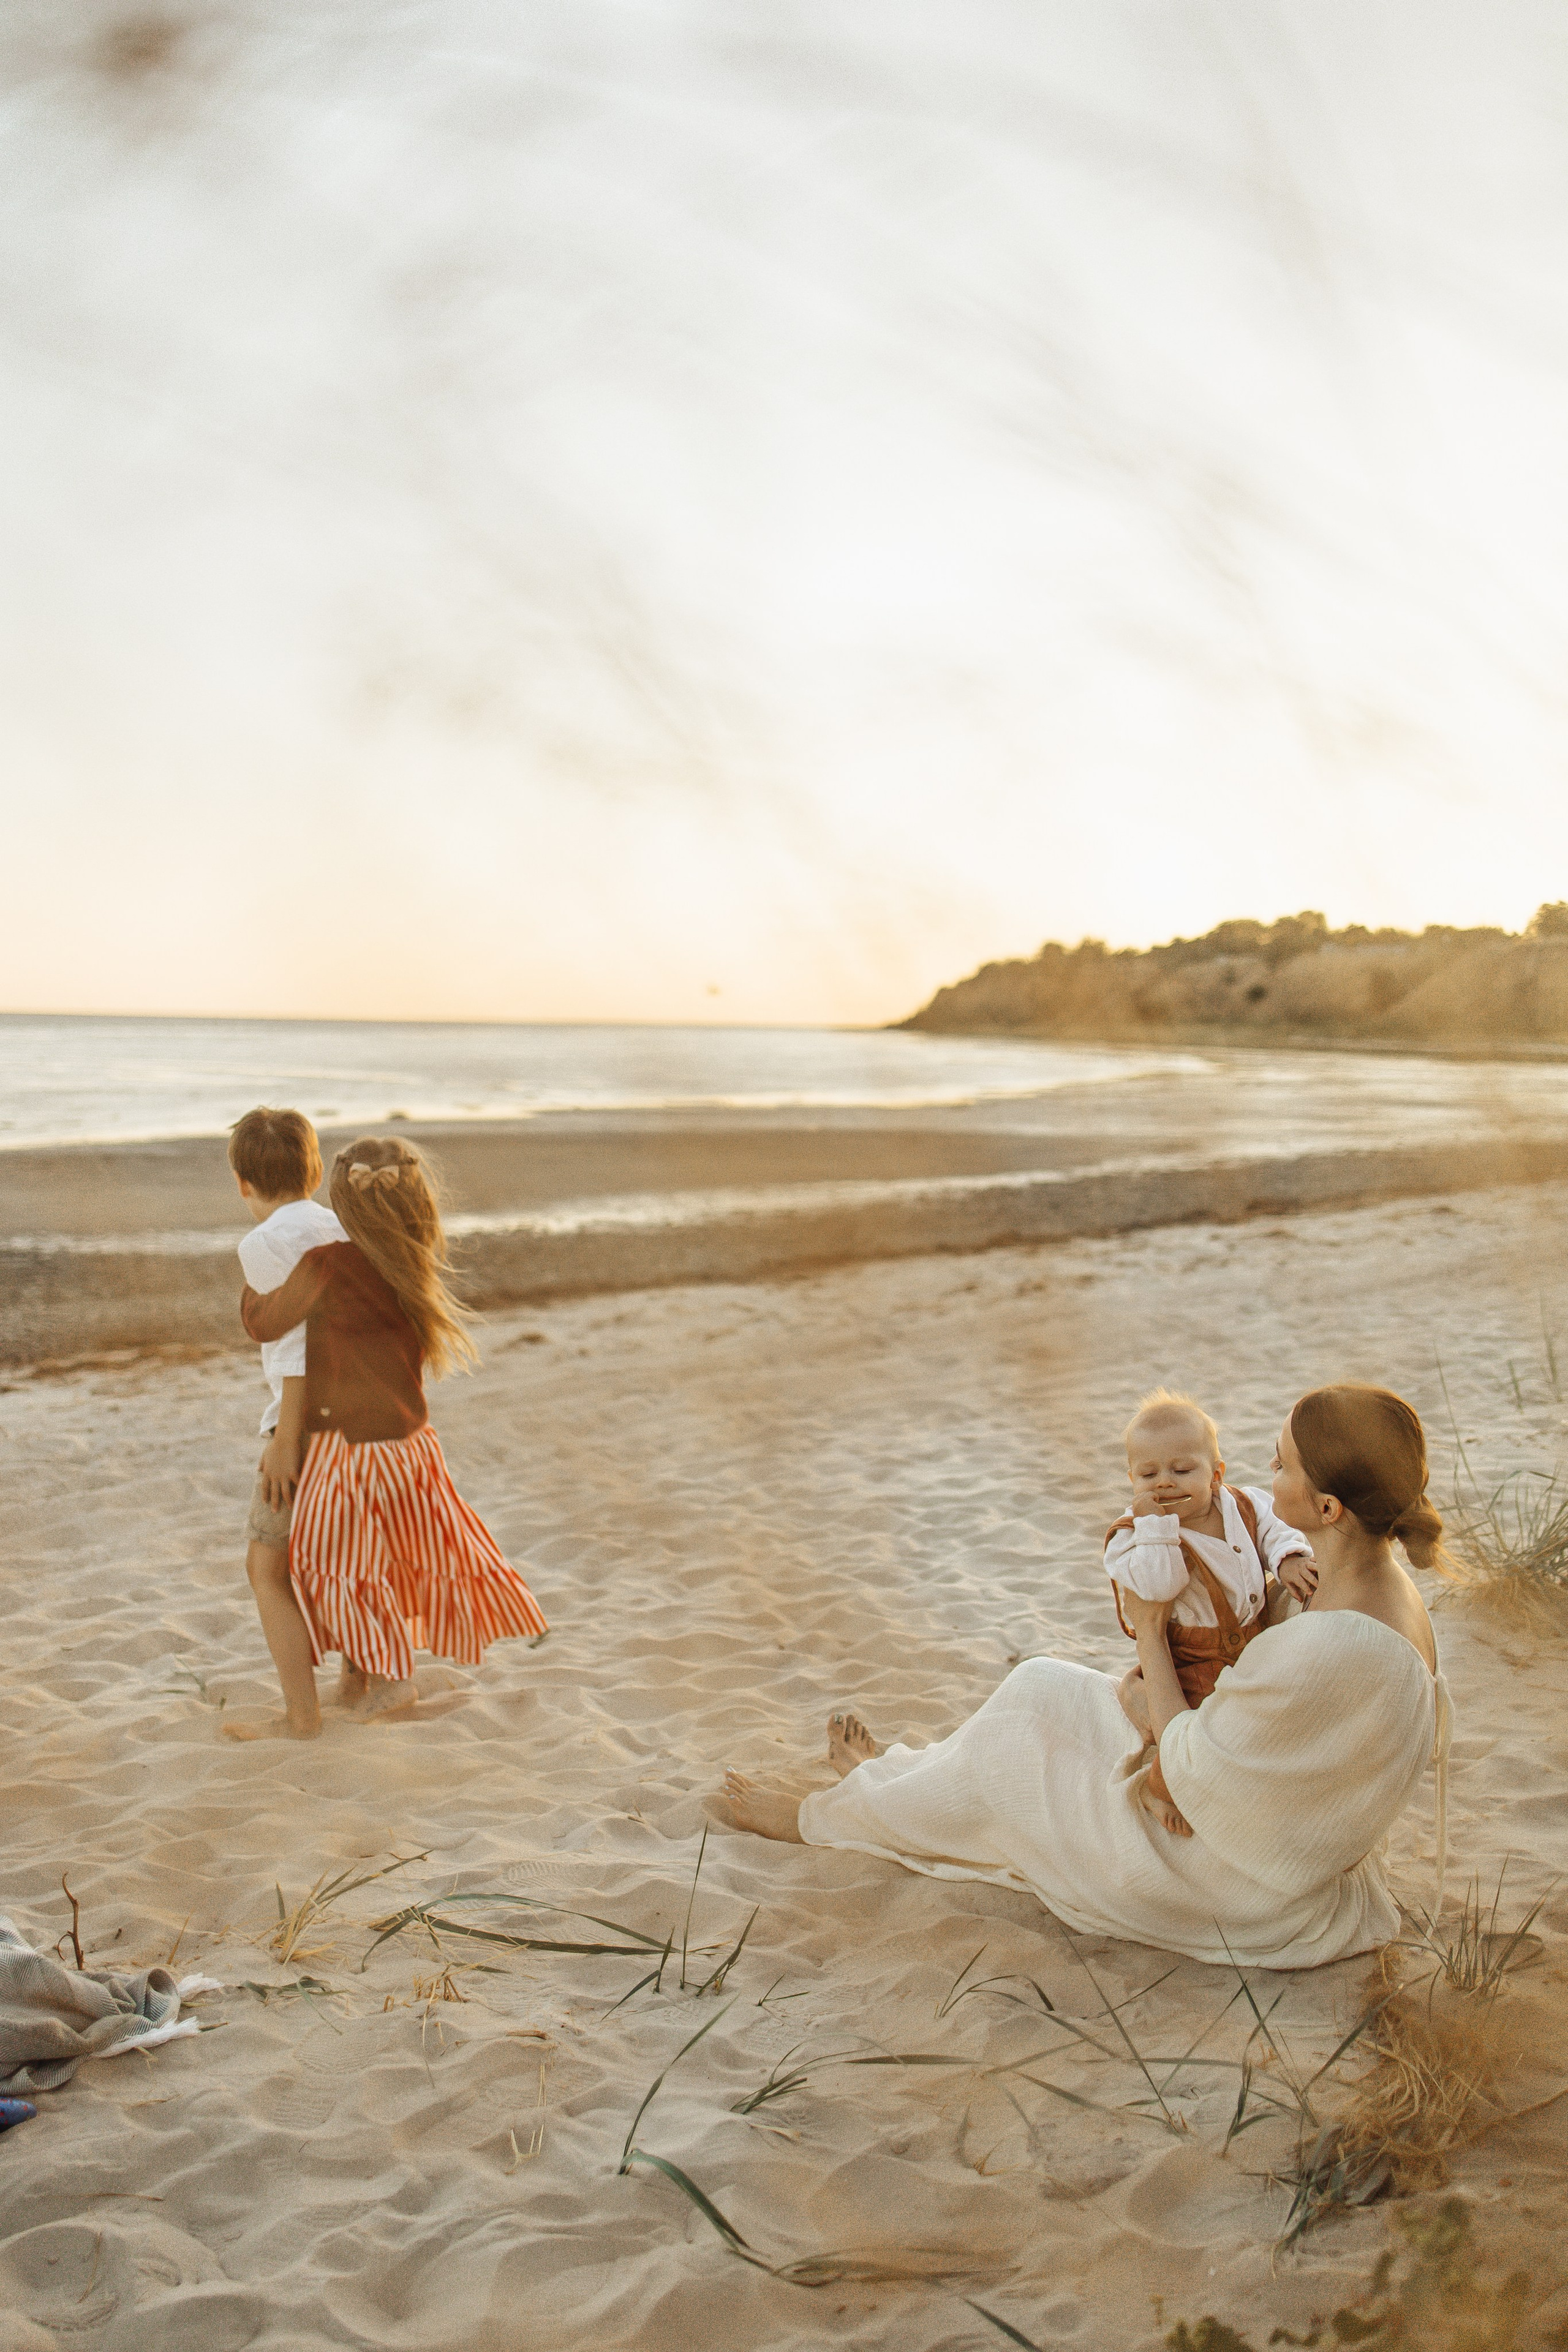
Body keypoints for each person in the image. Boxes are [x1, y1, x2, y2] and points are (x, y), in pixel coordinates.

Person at [720, 1385, 1452, 1970]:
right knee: (1042, 1692)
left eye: (1281, 1466)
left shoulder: (1330, 1645)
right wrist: (1146, 1707)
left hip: (1241, 1884)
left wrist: (1153, 1635)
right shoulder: (1385, 1596)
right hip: (1283, 1839)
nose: (1268, 1480)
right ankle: (900, 1780)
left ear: (1326, 1508)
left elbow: (1191, 1768)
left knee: (1025, 1726)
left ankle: (830, 1818)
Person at [226, 1135, 547, 1741]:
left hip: (353, 1450)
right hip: (411, 1447)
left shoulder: (329, 1264)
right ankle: (366, 1679)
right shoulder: (409, 1262)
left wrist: (253, 1290)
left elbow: (265, 1322)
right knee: (367, 1565)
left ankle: (385, 1676)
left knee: (326, 1567)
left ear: (342, 1209)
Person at [1107, 1389, 1317, 1833]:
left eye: (1182, 1470)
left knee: (1261, 1720)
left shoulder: (1242, 1505)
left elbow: (1275, 1530)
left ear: (1216, 1475)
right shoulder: (1133, 1537)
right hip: (1191, 1658)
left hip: (1251, 1636)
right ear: (1132, 1481)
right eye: (1148, 1474)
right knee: (1193, 1729)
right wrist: (1156, 1526)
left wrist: (1288, 1557)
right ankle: (1160, 1788)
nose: (1164, 1482)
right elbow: (1160, 1585)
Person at [228, 1107, 349, 1738]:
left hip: (302, 1426)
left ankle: (302, 1716)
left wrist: (284, 1440)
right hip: (355, 1423)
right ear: (316, 1168)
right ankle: (361, 1680)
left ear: (242, 1183)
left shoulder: (265, 1242)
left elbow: (297, 1348)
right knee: (340, 1556)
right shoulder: (340, 1228)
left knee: (266, 1568)